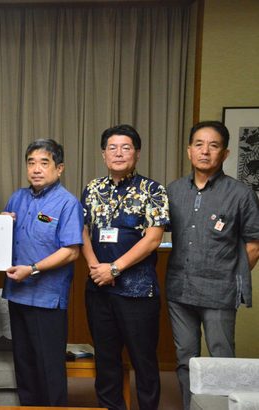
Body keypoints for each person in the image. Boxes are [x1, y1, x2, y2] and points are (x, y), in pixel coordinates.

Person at [166, 121, 259, 410]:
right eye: (199, 144)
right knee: (185, 359)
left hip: (219, 292)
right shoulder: (174, 190)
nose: (205, 151)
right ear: (189, 150)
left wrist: (230, 278)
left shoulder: (241, 194)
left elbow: (253, 245)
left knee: (221, 358)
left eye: (213, 145)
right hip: (179, 290)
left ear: (225, 153)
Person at [81, 124, 169, 410]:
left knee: (143, 361)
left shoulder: (153, 190)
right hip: (99, 290)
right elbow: (81, 230)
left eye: (126, 147)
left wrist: (114, 269)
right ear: (104, 154)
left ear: (137, 153)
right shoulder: (92, 189)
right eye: (112, 148)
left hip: (138, 293)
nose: (118, 153)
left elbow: (154, 238)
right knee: (106, 360)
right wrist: (95, 266)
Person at [2, 139, 83, 406]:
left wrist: (33, 269)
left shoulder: (67, 203)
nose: (36, 169)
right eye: (31, 162)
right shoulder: (17, 197)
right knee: (24, 367)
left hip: (47, 298)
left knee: (49, 368)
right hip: (18, 294)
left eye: (44, 163)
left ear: (59, 168)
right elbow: (4, 238)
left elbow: (71, 251)